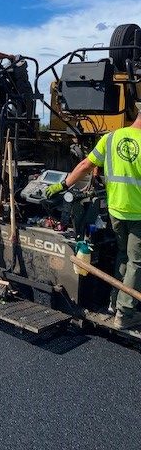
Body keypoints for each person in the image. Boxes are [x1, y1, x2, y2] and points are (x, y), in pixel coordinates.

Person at [46, 106, 141, 330]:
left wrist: (62, 184)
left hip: (116, 211)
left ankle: (113, 303)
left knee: (123, 256)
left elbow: (86, 165)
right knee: (137, 261)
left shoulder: (110, 139)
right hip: (138, 214)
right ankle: (124, 314)